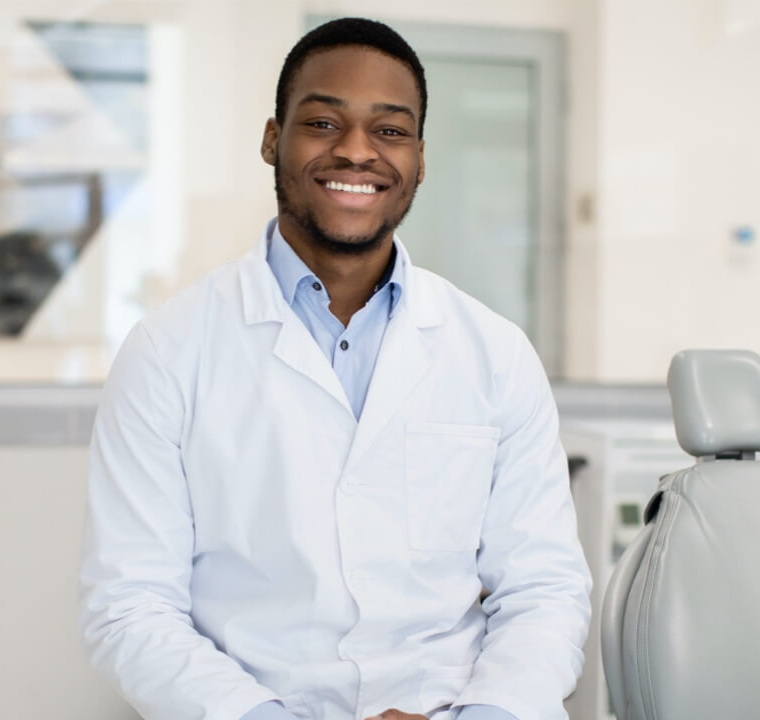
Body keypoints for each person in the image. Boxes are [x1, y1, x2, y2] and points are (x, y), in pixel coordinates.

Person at [80, 17, 591, 720]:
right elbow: (130, 604)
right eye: (323, 121)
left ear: (419, 157)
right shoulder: (169, 351)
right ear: (272, 139)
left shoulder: (494, 354)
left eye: (389, 130)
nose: (357, 152)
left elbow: (543, 589)